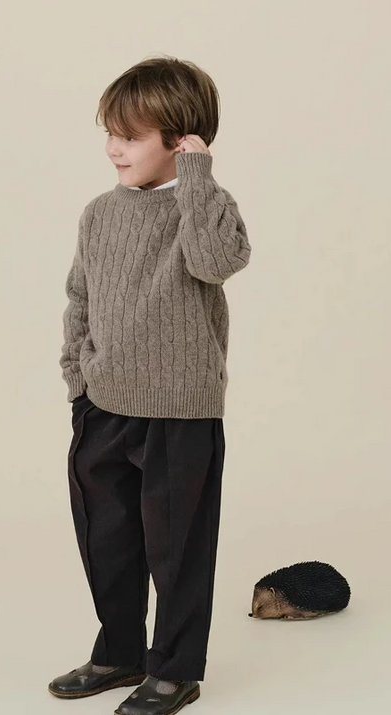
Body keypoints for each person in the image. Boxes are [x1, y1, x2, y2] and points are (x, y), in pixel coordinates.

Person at [49, 55, 251, 715]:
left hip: (180, 410)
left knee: (178, 545)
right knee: (106, 536)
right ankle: (119, 651)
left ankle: (175, 668)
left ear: (181, 138)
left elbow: (215, 262)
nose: (114, 148)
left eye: (130, 136)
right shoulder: (98, 213)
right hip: (103, 402)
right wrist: (77, 378)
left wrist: (197, 175)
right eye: (110, 132)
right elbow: (80, 297)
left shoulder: (206, 207)